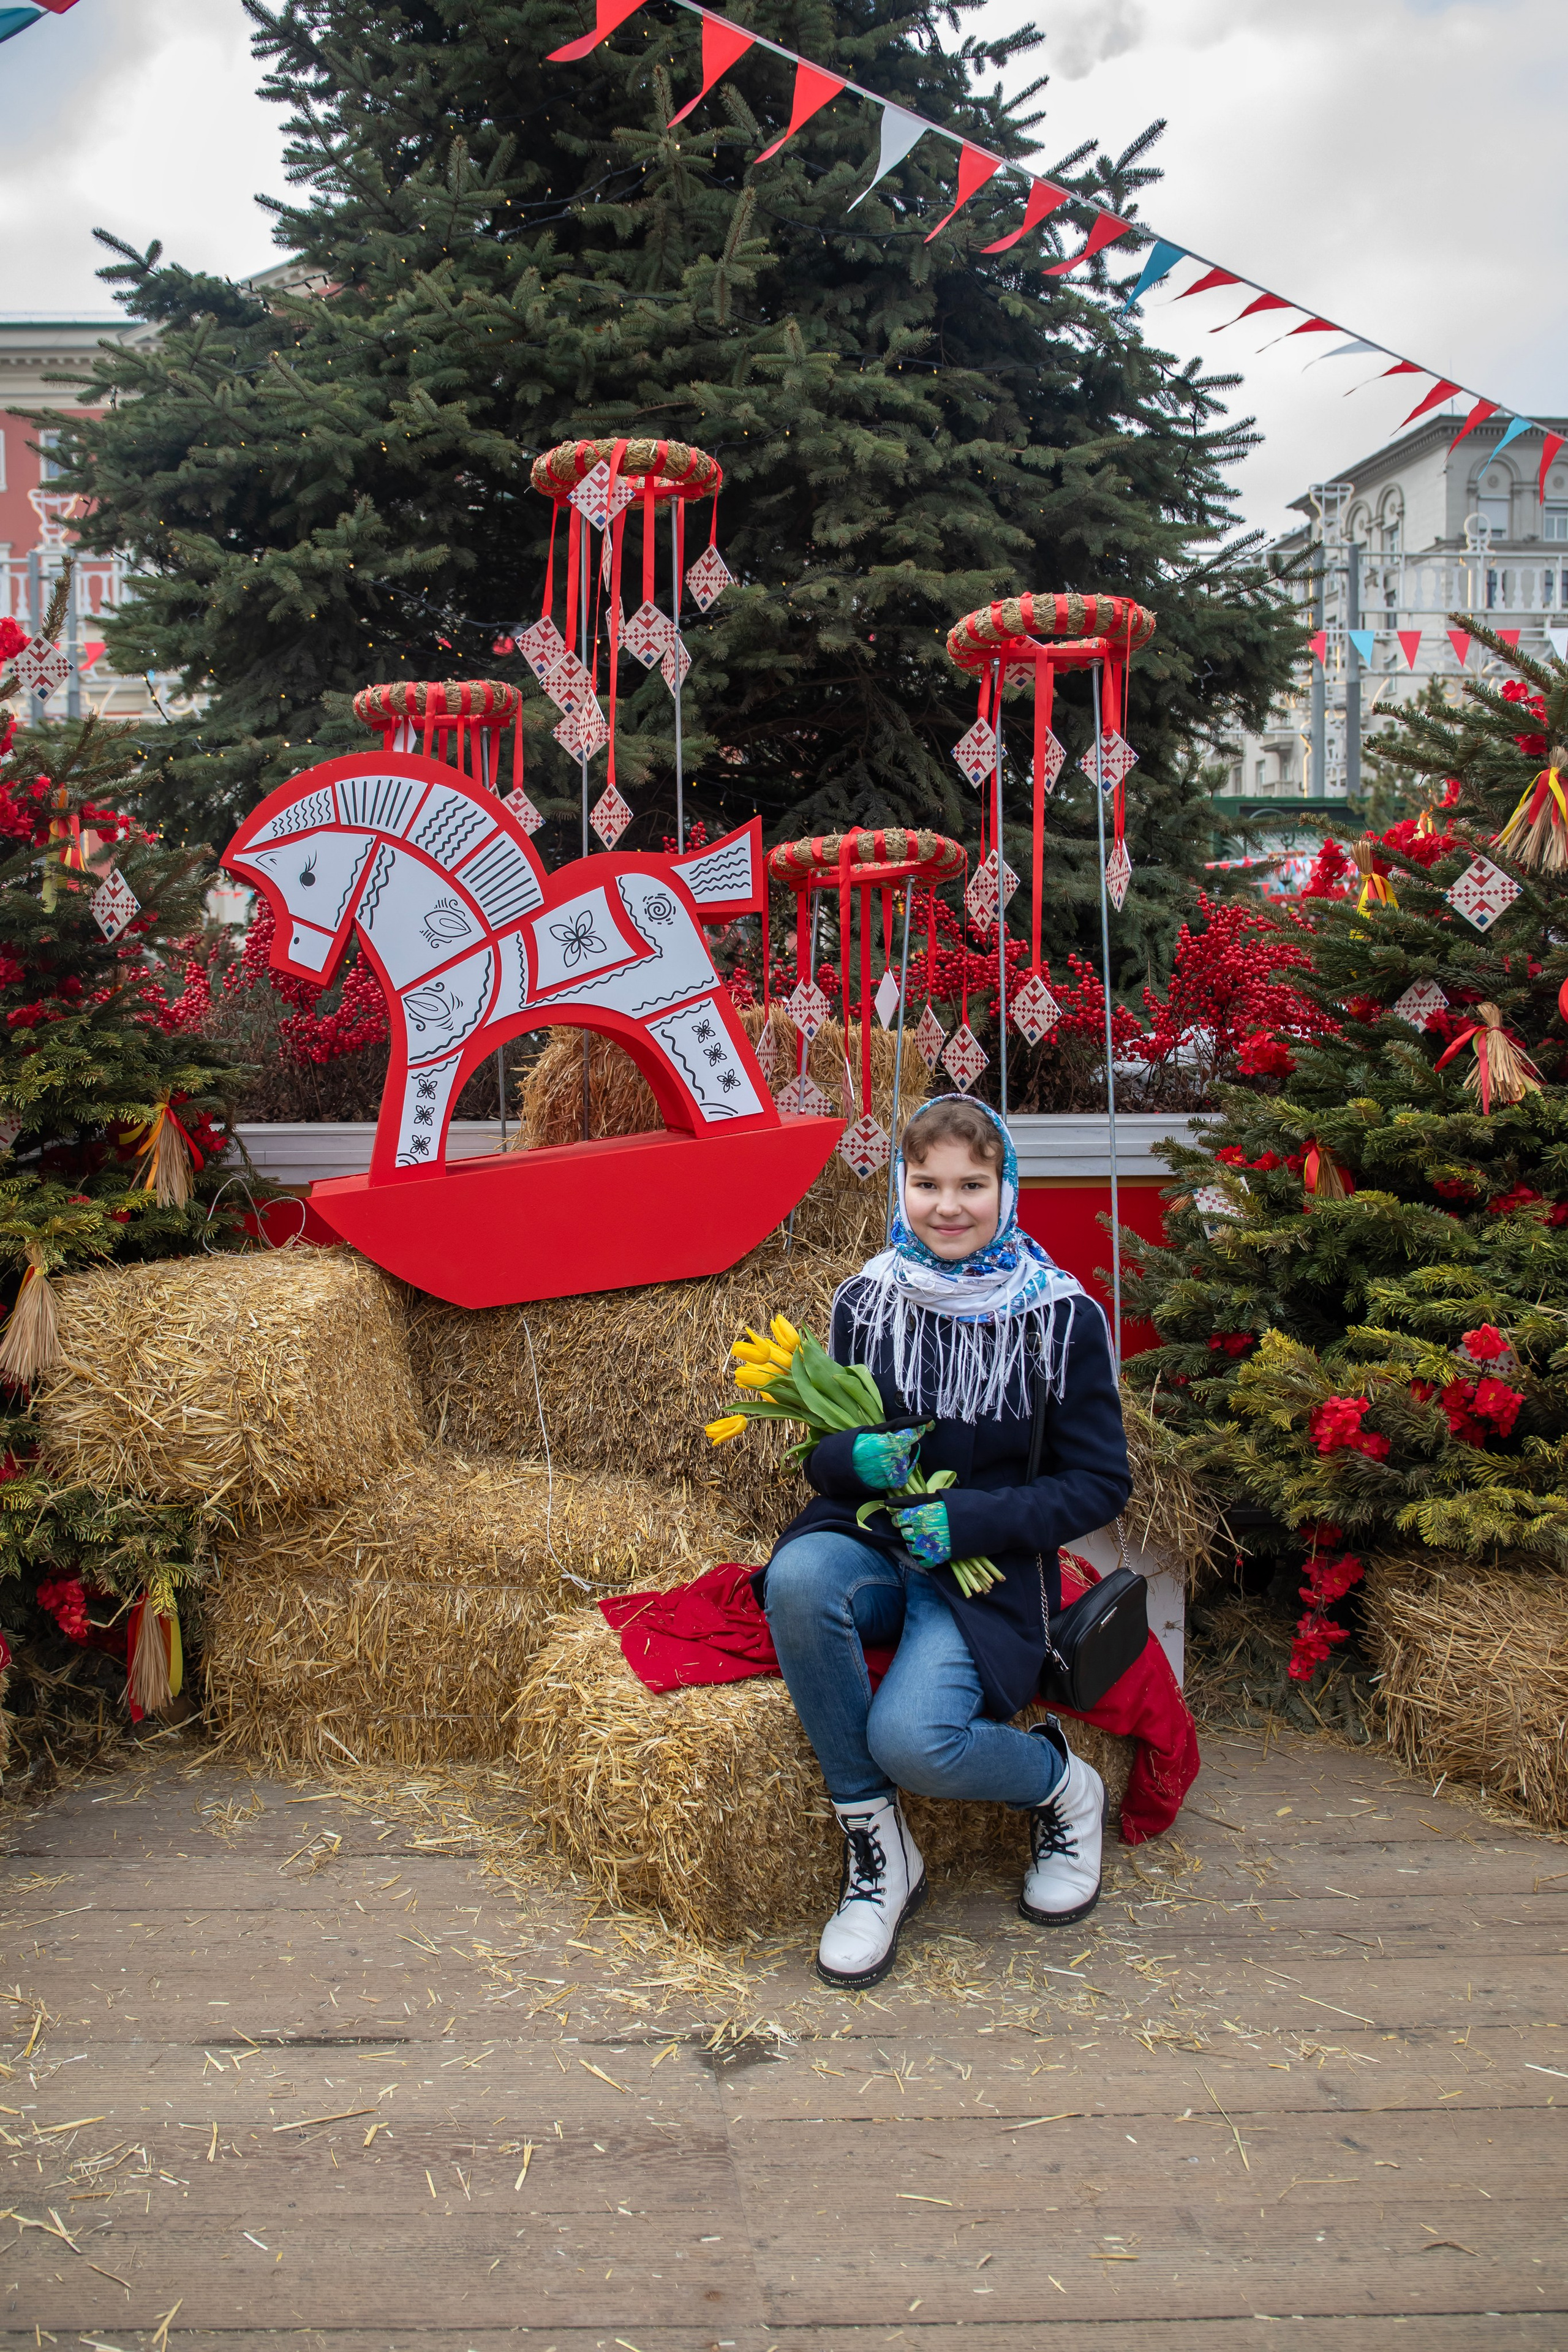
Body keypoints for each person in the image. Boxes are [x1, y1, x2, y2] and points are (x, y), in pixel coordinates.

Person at [758, 1094, 1131, 1989]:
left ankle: (1059, 1784)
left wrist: (969, 1519)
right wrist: (862, 1456)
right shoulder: (869, 1299)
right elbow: (822, 1460)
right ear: (901, 1185)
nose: (949, 1206)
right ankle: (878, 1855)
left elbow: (1100, 1483)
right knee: (799, 1575)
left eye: (974, 1183)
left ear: (1008, 1188)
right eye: (927, 1183)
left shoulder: (1059, 1318)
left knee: (917, 1743)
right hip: (876, 1547)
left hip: (982, 1574)